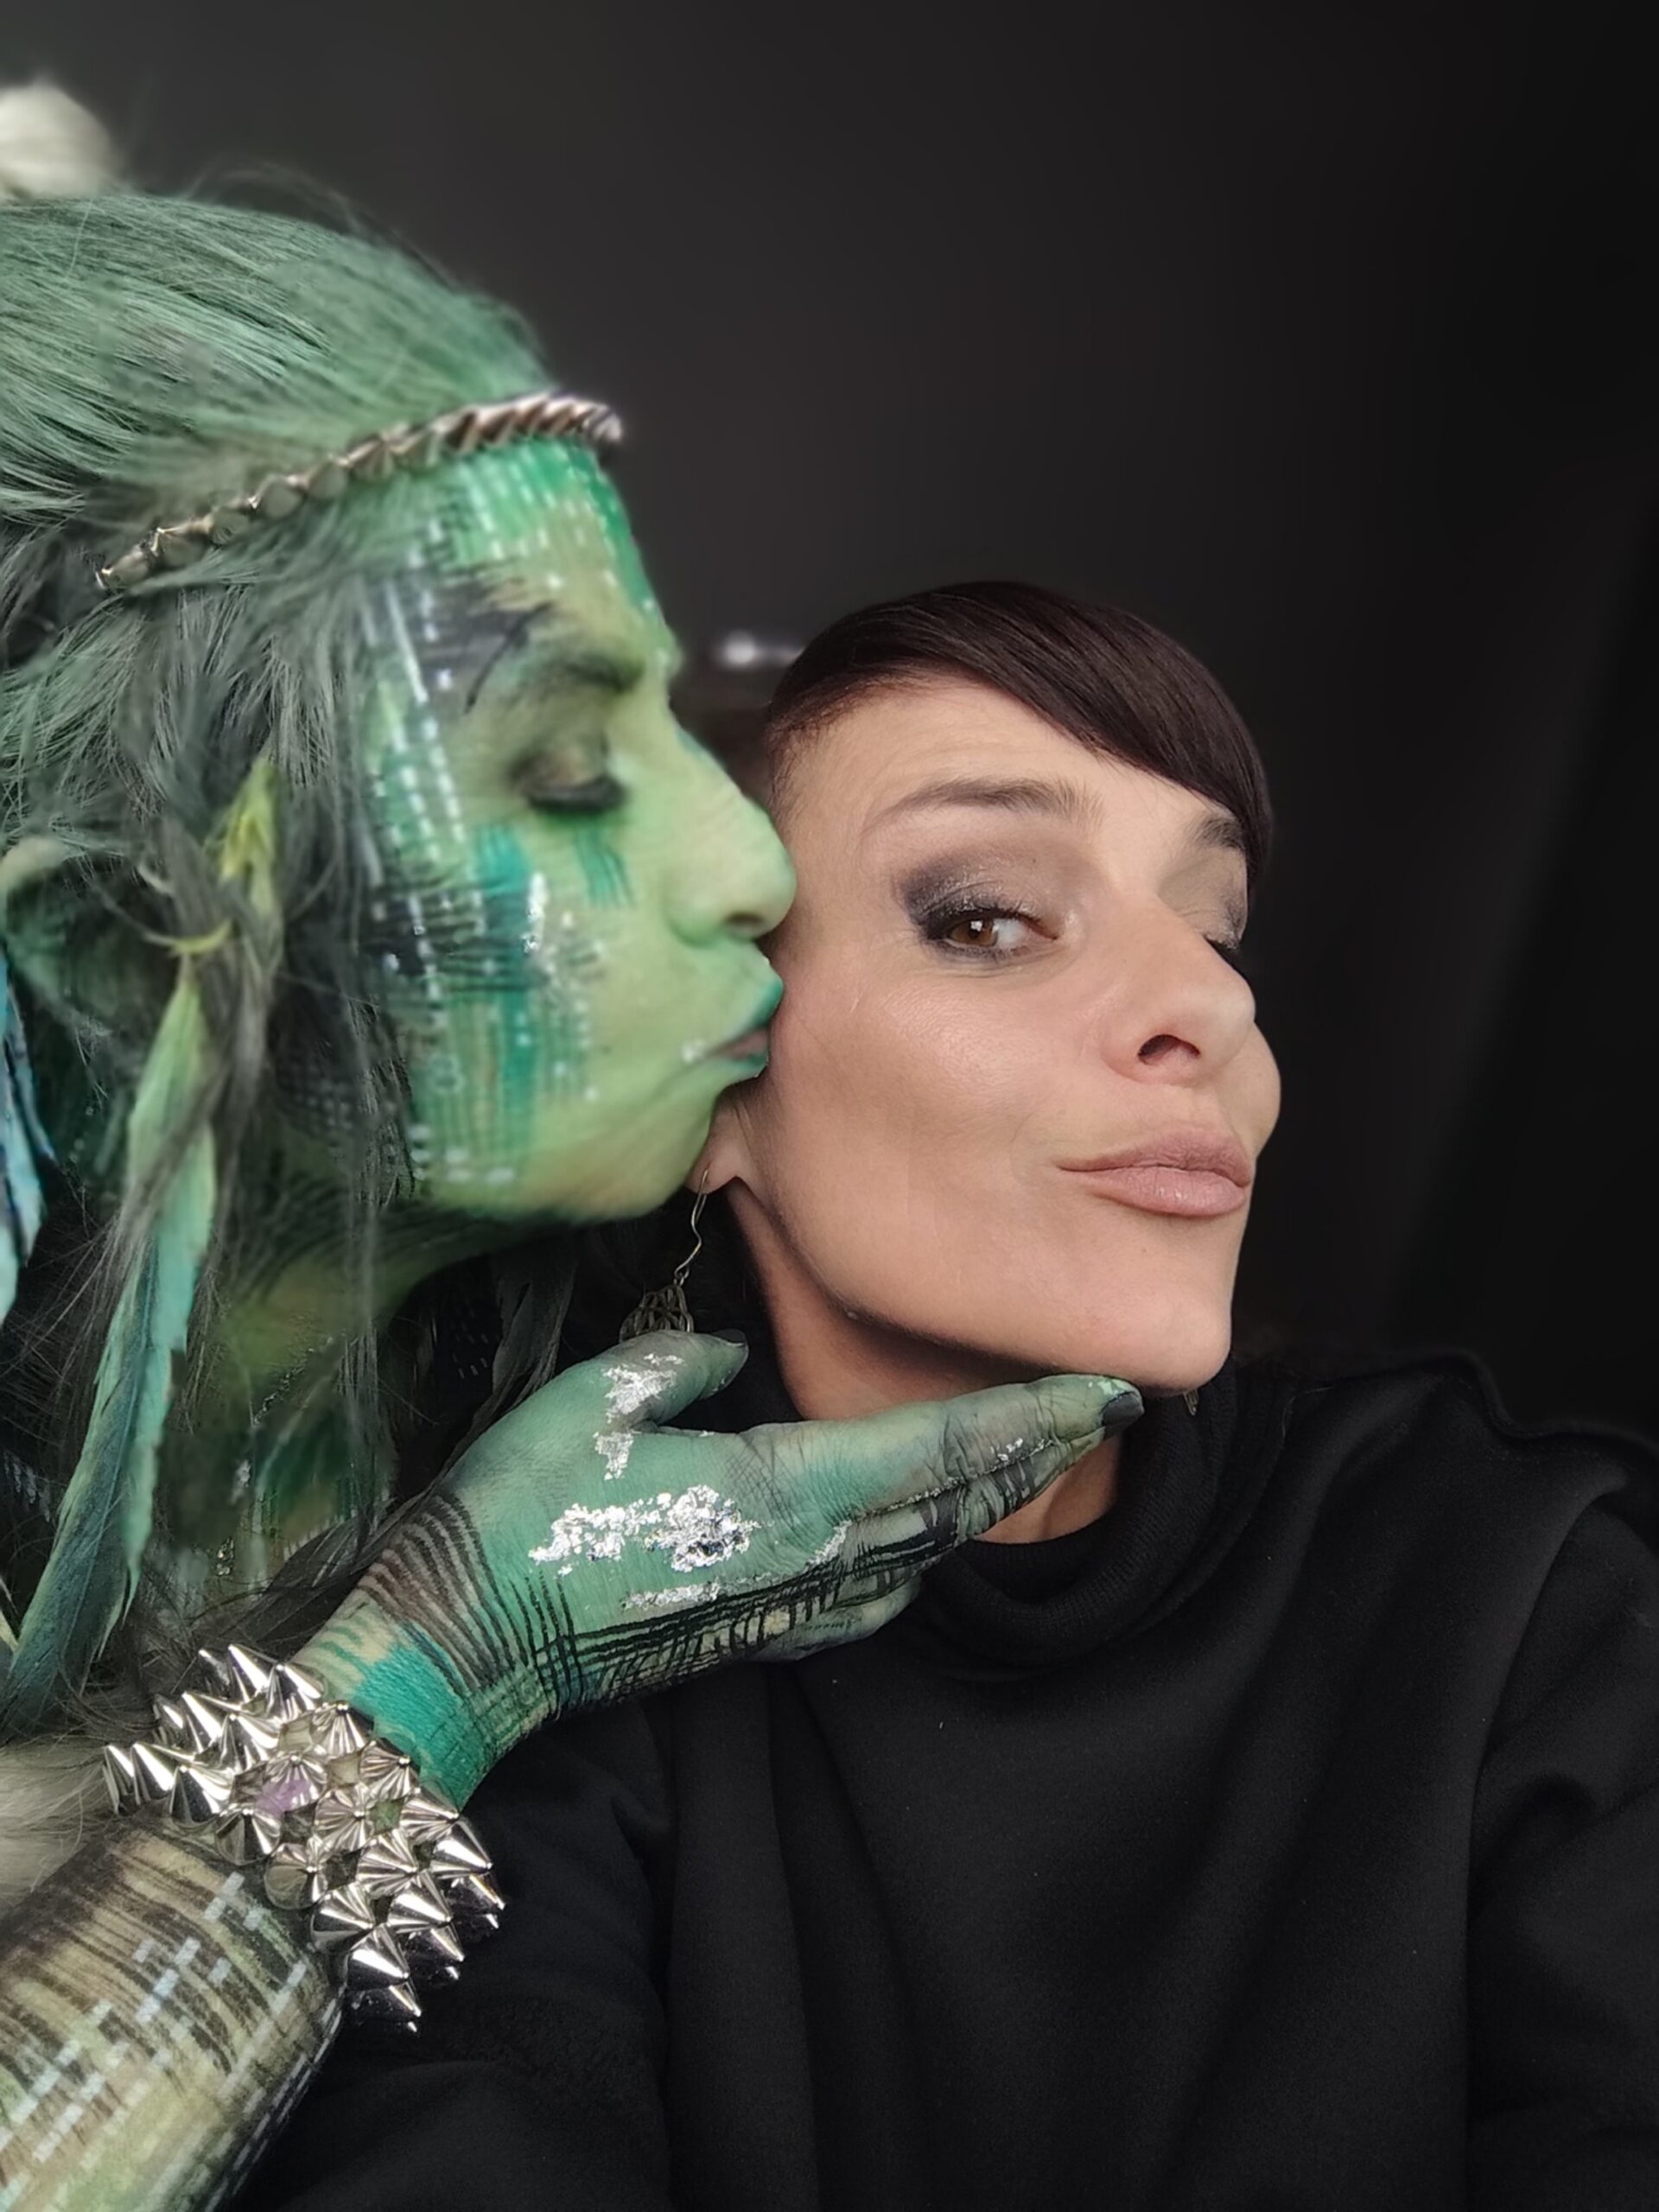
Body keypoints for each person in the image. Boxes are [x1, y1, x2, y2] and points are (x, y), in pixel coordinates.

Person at [0, 99, 1134, 2211]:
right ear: (107, 945)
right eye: (559, 771)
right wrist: (454, 1643)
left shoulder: (717, 1314)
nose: (746, 862)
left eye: (674, 724)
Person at [246, 582, 1659, 2210]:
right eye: (987, 918)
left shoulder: (1514, 1584)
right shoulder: (546, 1651)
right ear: (705, 1087)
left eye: (1215, 928)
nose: (1213, 1007)